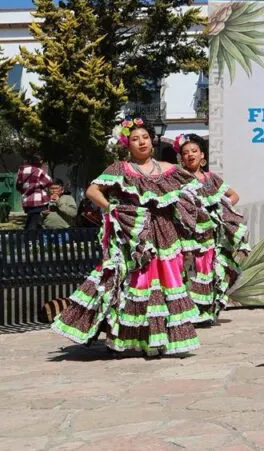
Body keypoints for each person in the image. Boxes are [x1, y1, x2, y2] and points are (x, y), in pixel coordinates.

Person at [51, 118, 206, 355]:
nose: (141, 142)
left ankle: (161, 339)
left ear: (151, 143)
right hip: (134, 236)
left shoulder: (168, 169)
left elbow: (193, 189)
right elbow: (93, 191)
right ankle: (130, 337)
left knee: (166, 284)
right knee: (134, 283)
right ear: (127, 145)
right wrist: (113, 210)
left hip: (164, 235)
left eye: (145, 138)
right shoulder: (120, 169)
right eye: (135, 139)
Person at [174, 133, 250, 324]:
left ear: (202, 156)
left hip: (211, 236)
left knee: (211, 271)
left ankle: (209, 312)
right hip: (188, 236)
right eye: (185, 153)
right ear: (181, 158)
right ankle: (190, 312)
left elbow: (233, 196)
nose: (190, 155)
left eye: (194, 151)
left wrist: (219, 209)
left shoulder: (211, 178)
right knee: (190, 273)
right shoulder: (177, 179)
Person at [16, 154, 52, 231]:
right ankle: (30, 239)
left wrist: (25, 191)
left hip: (26, 200)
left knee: (31, 219)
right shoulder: (39, 171)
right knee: (34, 222)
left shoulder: (21, 170)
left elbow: (18, 185)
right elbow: (49, 181)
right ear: (40, 161)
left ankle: (29, 237)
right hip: (37, 201)